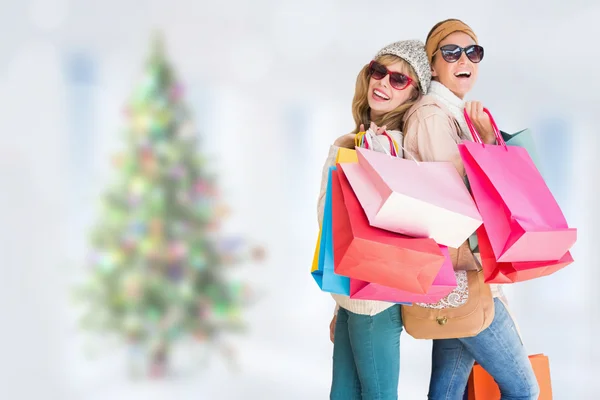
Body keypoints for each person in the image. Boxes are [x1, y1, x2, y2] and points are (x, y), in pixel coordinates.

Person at [402, 19, 540, 400]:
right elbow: (460, 203)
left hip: (463, 277)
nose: (465, 59)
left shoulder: (455, 114)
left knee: (449, 391)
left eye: (473, 52)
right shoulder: (433, 116)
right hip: (464, 274)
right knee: (524, 390)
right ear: (432, 65)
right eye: (451, 52)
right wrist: (488, 141)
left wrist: (480, 132)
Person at [317, 40, 431, 399]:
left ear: (413, 96)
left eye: (399, 79)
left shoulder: (386, 146)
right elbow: (343, 228)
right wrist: (339, 303)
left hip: (374, 300)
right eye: (378, 71)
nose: (382, 82)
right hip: (354, 296)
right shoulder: (362, 139)